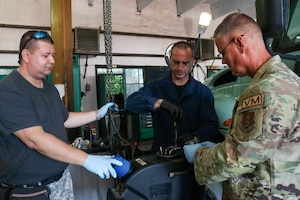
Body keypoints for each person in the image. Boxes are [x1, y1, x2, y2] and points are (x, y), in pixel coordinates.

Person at [183, 13, 300, 199]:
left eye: (222, 52)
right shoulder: (285, 79)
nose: (222, 61)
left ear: (239, 43)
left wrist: (199, 155)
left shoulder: (265, 89)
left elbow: (236, 158)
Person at [0, 30, 123, 200]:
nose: (52, 60)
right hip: (30, 191)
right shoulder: (10, 91)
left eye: (53, 55)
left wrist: (98, 113)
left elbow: (64, 119)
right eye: (46, 55)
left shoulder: (48, 88)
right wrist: (87, 160)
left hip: (60, 180)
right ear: (26, 55)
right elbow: (35, 140)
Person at [126, 41, 221, 199]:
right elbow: (131, 103)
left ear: (192, 62)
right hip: (160, 161)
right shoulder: (156, 87)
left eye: (185, 63)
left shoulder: (202, 93)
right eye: (176, 62)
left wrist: (195, 137)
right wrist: (160, 103)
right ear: (170, 60)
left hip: (191, 163)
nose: (180, 68)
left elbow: (211, 125)